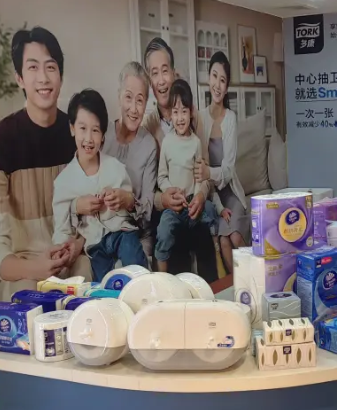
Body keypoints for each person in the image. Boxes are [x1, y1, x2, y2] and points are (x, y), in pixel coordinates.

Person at [0, 27, 90, 299]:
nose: (43, 77)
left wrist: (77, 245)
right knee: (29, 302)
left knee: (93, 283)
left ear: (60, 76)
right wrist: (34, 267)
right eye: (32, 67)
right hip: (25, 267)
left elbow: (92, 218)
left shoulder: (78, 134)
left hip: (72, 258)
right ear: (19, 78)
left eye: (50, 67)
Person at [141, 37, 219, 281]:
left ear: (174, 73)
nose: (161, 80)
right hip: (167, 207)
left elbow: (204, 172)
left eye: (165, 71)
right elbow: (148, 187)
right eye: (154, 73)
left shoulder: (197, 120)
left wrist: (201, 195)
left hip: (193, 201)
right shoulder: (148, 127)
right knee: (173, 242)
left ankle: (212, 297)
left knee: (204, 237)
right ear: (150, 81)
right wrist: (163, 199)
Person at [52, 89, 148, 282]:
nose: (89, 138)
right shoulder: (63, 182)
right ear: (72, 128)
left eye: (95, 130)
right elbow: (62, 230)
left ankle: (146, 288)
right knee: (103, 283)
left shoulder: (115, 168)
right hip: (93, 245)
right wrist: (75, 208)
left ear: (103, 135)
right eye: (82, 128)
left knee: (136, 268)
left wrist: (123, 199)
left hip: (121, 234)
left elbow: (134, 211)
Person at [155, 79, 229, 278]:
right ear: (170, 114)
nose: (180, 118)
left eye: (184, 111)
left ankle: (215, 252)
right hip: (174, 206)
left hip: (193, 204)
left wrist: (197, 197)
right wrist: (170, 191)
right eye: (175, 112)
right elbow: (161, 176)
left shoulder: (196, 142)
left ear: (191, 112)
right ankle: (162, 278)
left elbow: (200, 177)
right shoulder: (167, 142)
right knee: (164, 230)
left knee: (209, 212)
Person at [195, 52, 248, 272]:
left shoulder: (231, 119)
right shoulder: (199, 118)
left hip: (231, 192)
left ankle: (256, 278)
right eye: (214, 76)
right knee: (224, 242)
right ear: (208, 78)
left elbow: (227, 170)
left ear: (226, 88)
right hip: (212, 195)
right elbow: (199, 166)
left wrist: (208, 172)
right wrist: (206, 176)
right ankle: (237, 287)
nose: (217, 84)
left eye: (223, 80)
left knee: (234, 236)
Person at [102, 61, 158, 263]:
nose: (134, 109)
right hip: (102, 232)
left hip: (136, 234)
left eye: (140, 100)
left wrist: (130, 202)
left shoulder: (149, 145)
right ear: (119, 96)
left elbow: (148, 210)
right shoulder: (101, 134)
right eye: (128, 97)